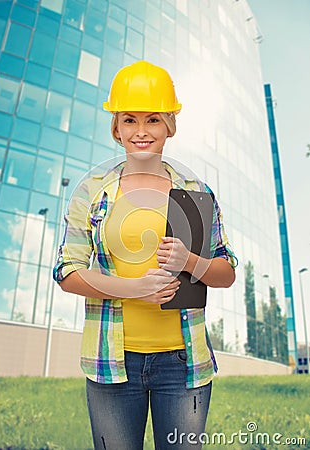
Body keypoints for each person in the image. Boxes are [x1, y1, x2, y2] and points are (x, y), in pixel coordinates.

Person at [53, 61, 237, 450]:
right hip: (112, 362)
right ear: (116, 128)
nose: (141, 131)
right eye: (129, 120)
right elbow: (67, 272)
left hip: (183, 364)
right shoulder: (92, 191)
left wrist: (190, 260)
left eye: (153, 119)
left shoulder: (194, 190)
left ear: (169, 125)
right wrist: (134, 288)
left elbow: (225, 271)